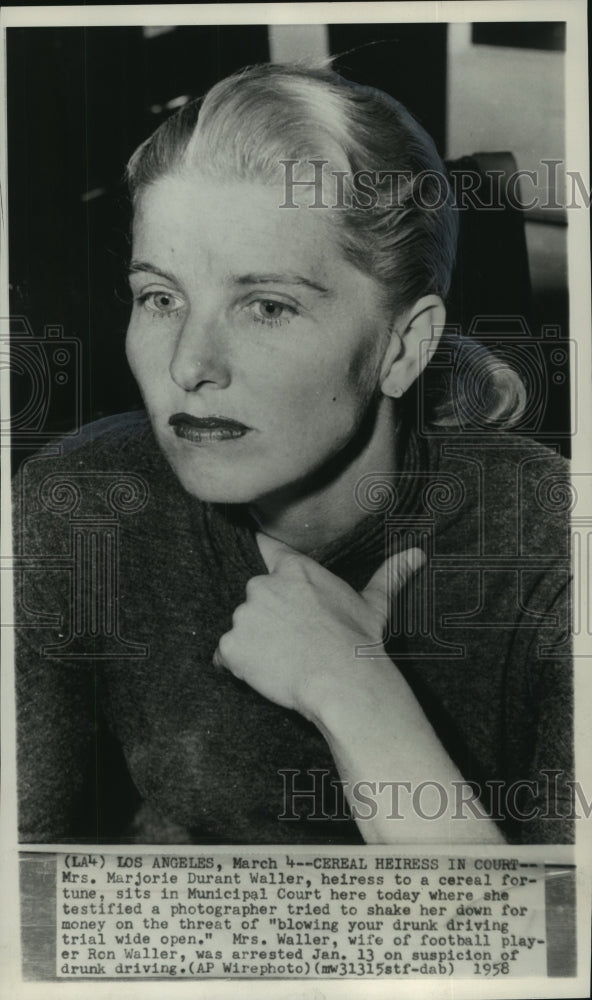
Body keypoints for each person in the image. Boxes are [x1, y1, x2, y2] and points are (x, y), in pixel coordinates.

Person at [14, 62, 573, 846]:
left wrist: (351, 688)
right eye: (160, 297)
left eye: (266, 306)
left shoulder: (552, 544)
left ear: (405, 345)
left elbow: (551, 956)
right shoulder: (78, 507)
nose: (188, 366)